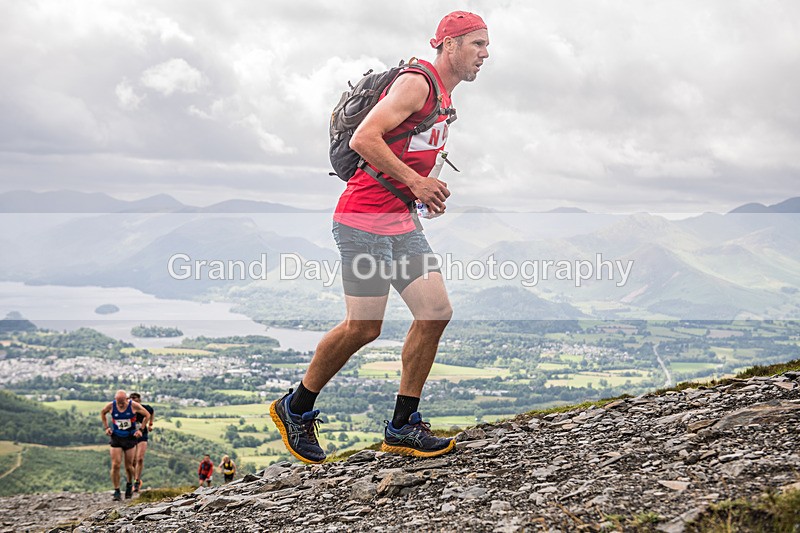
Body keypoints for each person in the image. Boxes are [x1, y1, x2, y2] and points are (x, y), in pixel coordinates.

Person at [270, 11, 489, 463]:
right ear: (449, 45)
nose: (485, 54)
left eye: (486, 46)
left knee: (435, 313)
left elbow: (404, 150)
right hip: (362, 220)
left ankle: (403, 425)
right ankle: (295, 407)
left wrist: (420, 191)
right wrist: (416, 182)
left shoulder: (444, 97)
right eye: (477, 44)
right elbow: (364, 139)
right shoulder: (418, 83)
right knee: (364, 327)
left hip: (399, 222)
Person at [101, 389, 151, 500]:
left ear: (126, 399)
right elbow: (103, 413)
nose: (121, 405)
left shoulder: (133, 406)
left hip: (129, 437)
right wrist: (107, 427)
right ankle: (117, 490)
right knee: (115, 465)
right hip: (116, 437)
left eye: (123, 402)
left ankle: (130, 484)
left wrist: (141, 430)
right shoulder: (111, 406)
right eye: (119, 402)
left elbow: (147, 415)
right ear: (115, 400)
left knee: (129, 466)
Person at [128, 392, 154, 493]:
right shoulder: (127, 410)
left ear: (139, 400)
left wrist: (151, 423)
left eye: (135, 399)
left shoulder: (145, 408)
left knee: (140, 458)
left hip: (142, 434)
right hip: (131, 435)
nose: (134, 401)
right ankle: (135, 479)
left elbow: (151, 412)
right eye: (132, 399)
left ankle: (137, 482)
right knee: (132, 461)